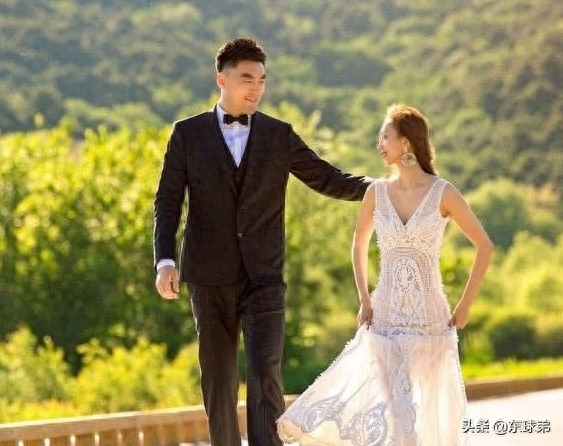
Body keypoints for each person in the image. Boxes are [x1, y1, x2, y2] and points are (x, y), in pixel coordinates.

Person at [153, 38, 371, 446]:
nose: (256, 88)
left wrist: (383, 189)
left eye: (262, 80)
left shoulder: (279, 134)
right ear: (222, 79)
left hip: (264, 277)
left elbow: (327, 178)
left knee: (265, 373)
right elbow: (167, 201)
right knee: (219, 378)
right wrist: (164, 259)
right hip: (208, 276)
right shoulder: (187, 133)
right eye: (247, 78)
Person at [277, 103, 494, 445]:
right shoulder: (376, 192)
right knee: (397, 414)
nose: (379, 144)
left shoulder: (444, 192)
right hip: (385, 316)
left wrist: (465, 306)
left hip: (430, 319)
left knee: (430, 412)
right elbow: (358, 245)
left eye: (385, 137)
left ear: (405, 142)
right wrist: (365, 299)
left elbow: (485, 247)